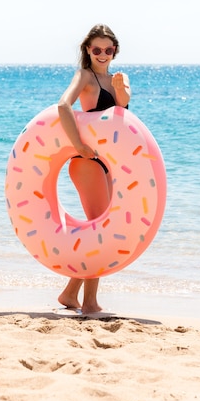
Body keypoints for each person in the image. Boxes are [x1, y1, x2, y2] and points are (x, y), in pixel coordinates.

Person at [57, 23, 131, 313]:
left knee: (102, 228)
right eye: (97, 49)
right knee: (102, 228)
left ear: (115, 52)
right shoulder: (84, 76)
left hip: (108, 163)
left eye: (108, 49)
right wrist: (78, 146)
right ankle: (89, 302)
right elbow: (64, 106)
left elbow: (123, 109)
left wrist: (119, 88)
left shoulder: (117, 79)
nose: (102, 54)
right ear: (88, 50)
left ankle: (70, 293)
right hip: (87, 161)